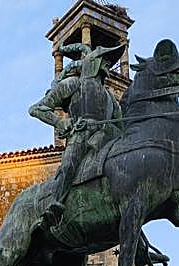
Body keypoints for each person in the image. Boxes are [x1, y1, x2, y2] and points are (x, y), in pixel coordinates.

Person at [29, 42, 126, 226]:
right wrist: (61, 122)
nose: (108, 64)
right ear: (94, 62)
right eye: (104, 60)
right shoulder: (73, 84)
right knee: (68, 166)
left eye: (109, 61)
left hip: (106, 140)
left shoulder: (111, 99)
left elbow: (121, 127)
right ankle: (55, 205)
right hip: (81, 136)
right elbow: (36, 109)